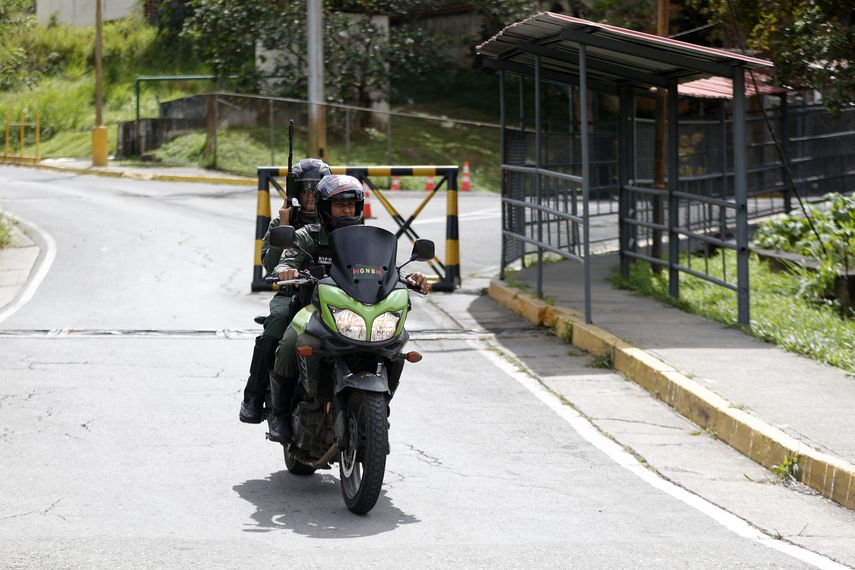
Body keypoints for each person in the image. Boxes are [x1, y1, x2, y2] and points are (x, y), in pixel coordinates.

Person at [267, 174, 429, 442]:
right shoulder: (308, 235)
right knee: (288, 343)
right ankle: (280, 414)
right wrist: (286, 270)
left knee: (398, 342)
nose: (346, 211)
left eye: (352, 206)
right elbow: (287, 258)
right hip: (314, 307)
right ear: (324, 208)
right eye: (339, 205)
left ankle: (379, 409)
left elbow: (388, 271)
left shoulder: (370, 238)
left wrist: (411, 278)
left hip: (357, 310)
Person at [239, 158, 331, 424]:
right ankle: (254, 397)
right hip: (292, 294)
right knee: (276, 326)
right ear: (296, 192)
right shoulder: (285, 219)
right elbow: (269, 263)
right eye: (306, 190)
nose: (311, 196)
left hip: (332, 295)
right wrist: (284, 223)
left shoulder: (337, 216)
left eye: (317, 190)